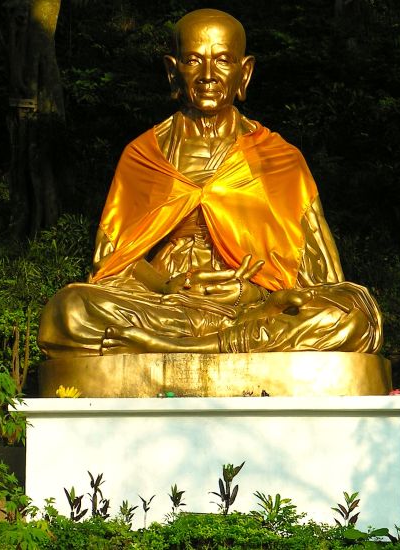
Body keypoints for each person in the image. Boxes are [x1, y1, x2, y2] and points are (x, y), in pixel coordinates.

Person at [38, 8, 382, 358]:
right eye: (192, 60)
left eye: (222, 61)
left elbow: (318, 278)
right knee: (68, 310)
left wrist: (255, 294)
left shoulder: (278, 158)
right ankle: (197, 343)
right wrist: (168, 287)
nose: (207, 75)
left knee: (352, 314)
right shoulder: (145, 154)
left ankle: (171, 348)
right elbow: (114, 259)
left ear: (244, 73)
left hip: (253, 308)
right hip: (167, 306)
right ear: (173, 71)